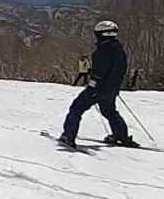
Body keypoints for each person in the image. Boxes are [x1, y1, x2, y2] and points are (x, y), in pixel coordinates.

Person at [57, 20, 134, 149]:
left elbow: (100, 71)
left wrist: (94, 79)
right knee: (109, 111)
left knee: (76, 109)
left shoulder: (103, 50)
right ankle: (121, 135)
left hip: (98, 88)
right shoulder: (119, 49)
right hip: (113, 88)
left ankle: (68, 136)